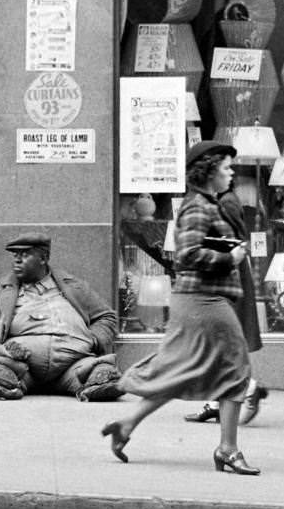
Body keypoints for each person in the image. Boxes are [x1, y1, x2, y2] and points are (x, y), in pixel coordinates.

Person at [102, 141, 261, 475]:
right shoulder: (199, 207)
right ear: (208, 170)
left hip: (200, 299)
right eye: (226, 167)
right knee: (236, 369)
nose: (231, 173)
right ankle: (228, 449)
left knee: (184, 369)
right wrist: (228, 257)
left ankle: (127, 424)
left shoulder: (205, 204)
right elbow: (188, 255)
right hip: (204, 300)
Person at [0, 233, 124, 402]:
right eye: (15, 255)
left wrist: (93, 339)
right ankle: (3, 382)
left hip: (75, 364)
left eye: (24, 255)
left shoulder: (74, 286)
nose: (17, 260)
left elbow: (107, 316)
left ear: (43, 258)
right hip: (21, 367)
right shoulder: (0, 290)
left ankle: (95, 381)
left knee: (102, 374)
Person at [182, 179, 269, 425]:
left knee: (221, 341)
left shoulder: (226, 201)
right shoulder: (219, 200)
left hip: (226, 277)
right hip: (224, 275)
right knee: (220, 343)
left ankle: (246, 389)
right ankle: (221, 399)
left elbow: (229, 241)